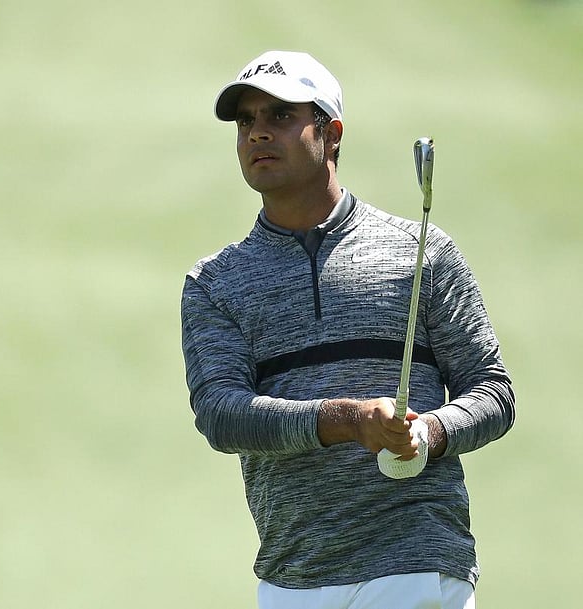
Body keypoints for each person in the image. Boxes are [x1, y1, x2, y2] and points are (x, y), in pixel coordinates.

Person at [180, 50, 515, 609]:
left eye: (281, 116)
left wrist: (427, 433)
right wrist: (348, 420)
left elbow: (493, 393)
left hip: (415, 562)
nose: (258, 133)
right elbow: (221, 414)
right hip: (293, 577)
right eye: (247, 121)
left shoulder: (421, 251)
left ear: (331, 133)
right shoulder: (216, 283)